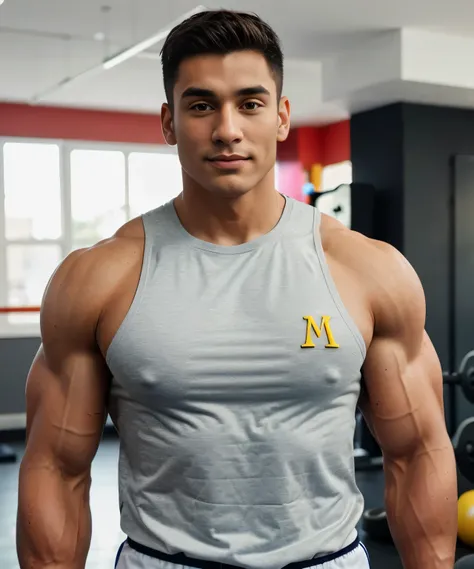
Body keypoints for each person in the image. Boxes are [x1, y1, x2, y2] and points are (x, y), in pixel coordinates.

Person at [16, 9, 457, 569]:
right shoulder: (100, 278)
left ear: (281, 116)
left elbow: (418, 453)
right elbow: (55, 468)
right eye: (201, 105)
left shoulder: (367, 270)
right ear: (169, 121)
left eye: (250, 103)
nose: (227, 129)